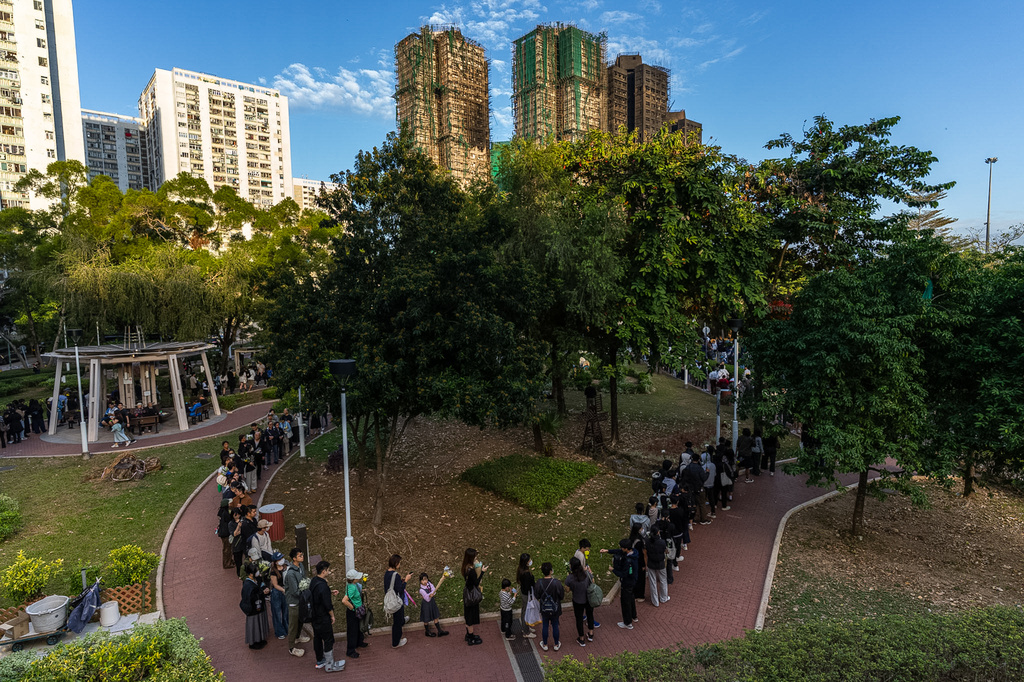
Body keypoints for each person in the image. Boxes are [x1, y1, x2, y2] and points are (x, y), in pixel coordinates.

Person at [310, 560, 345, 672]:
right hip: (323, 618)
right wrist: (332, 616)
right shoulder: (323, 586)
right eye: (328, 570)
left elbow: (317, 595)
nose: (329, 572)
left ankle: (320, 660)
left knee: (317, 638)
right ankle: (329, 665)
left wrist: (329, 592)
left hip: (314, 616)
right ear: (324, 571)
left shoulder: (314, 581)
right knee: (328, 639)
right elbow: (327, 605)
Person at [601, 539, 639, 629]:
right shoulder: (633, 554)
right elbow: (618, 551)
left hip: (627, 582)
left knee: (625, 602)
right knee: (631, 598)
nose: (620, 549)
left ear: (626, 549)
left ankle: (627, 622)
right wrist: (608, 551)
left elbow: (623, 574)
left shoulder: (628, 561)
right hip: (633, 581)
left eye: (622, 547)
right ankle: (634, 616)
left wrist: (613, 570)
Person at [283, 548, 312, 657]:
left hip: (301, 600)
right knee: (293, 624)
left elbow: (304, 578)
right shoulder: (291, 574)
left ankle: (297, 637)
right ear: (294, 558)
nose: (302, 556)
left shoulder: (301, 567)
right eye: (300, 555)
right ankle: (291, 647)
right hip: (294, 602)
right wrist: (305, 592)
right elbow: (294, 591)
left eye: (302, 554)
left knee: (300, 620)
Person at [533, 561, 564, 652]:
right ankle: (556, 644)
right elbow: (561, 596)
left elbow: (537, 595)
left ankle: (545, 644)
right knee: (555, 625)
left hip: (544, 608)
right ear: (551, 571)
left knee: (545, 625)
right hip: (555, 609)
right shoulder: (556, 583)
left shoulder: (539, 583)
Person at [565, 557, 594, 647]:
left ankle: (581, 639)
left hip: (577, 601)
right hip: (588, 599)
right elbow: (593, 582)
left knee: (579, 619)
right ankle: (591, 634)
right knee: (590, 615)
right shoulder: (587, 574)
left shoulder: (570, 578)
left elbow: (567, 590)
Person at [240, 563, 270, 650]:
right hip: (253, 609)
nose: (258, 573)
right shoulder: (247, 585)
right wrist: (262, 593)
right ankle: (254, 642)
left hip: (258, 607)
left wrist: (264, 588)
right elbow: (250, 597)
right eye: (256, 571)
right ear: (250, 574)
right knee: (255, 625)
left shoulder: (255, 580)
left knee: (259, 623)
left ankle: (259, 639)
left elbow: (261, 584)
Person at [384, 554, 410, 648]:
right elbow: (400, 589)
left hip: (390, 598)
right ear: (396, 563)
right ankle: (396, 642)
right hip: (396, 600)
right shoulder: (396, 575)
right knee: (397, 622)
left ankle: (402, 620)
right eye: (399, 563)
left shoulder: (387, 573)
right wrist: (406, 581)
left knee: (399, 616)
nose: (400, 565)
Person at [341, 568, 369, 658]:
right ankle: (350, 650)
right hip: (353, 612)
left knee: (358, 627)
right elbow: (344, 600)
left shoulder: (353, 585)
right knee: (352, 631)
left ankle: (359, 642)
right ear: (353, 579)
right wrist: (352, 607)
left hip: (357, 610)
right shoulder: (352, 588)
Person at [461, 548, 486, 645]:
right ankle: (471, 638)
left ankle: (468, 634)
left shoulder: (465, 567)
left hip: (467, 592)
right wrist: (482, 572)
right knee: (470, 618)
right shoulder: (471, 571)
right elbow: (476, 582)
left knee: (468, 615)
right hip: (471, 595)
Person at [418, 571, 450, 638]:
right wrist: (430, 595)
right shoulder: (421, 590)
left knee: (435, 616)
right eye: (423, 580)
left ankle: (440, 631)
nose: (425, 581)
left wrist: (432, 594)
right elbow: (426, 598)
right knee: (426, 618)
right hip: (426, 605)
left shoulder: (429, 584)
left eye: (426, 579)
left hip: (432, 603)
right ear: (420, 581)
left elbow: (434, 589)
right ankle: (427, 631)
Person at [644, 526, 669, 607]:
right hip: (660, 563)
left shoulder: (647, 541)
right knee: (663, 580)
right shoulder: (662, 542)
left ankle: (655, 601)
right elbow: (665, 551)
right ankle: (663, 597)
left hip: (651, 563)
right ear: (658, 532)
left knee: (652, 582)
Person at [515, 553, 537, 639]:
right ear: (527, 562)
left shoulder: (521, 570)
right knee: (526, 612)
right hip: (527, 594)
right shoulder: (526, 574)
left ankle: (526, 627)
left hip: (524, 593)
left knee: (525, 610)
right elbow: (529, 586)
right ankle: (526, 631)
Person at [268, 552, 289, 640]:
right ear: (276, 562)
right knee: (277, 613)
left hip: (284, 591)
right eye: (279, 559)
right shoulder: (273, 572)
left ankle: (287, 628)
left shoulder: (285, 567)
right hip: (277, 592)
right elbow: (275, 585)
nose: (281, 560)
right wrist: (284, 590)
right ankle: (279, 631)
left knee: (286, 611)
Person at [629, 524, 647, 602]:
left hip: (633, 562)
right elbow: (641, 555)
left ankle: (634, 593)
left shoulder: (631, 539)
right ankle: (640, 595)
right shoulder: (639, 542)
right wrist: (643, 565)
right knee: (641, 579)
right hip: (639, 563)